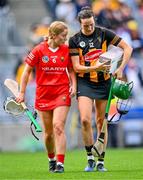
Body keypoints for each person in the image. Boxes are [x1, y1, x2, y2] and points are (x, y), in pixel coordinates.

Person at [69, 6, 132, 172]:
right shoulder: (74, 40)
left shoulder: (104, 33)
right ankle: (90, 158)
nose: (89, 28)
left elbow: (127, 48)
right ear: (80, 24)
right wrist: (95, 68)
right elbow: (76, 67)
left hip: (104, 83)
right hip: (85, 83)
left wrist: (120, 69)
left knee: (101, 122)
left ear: (94, 21)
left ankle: (101, 161)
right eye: (85, 26)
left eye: (91, 24)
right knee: (84, 120)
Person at [16, 21, 76, 173]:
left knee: (58, 126)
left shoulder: (66, 50)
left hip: (61, 92)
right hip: (43, 95)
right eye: (63, 36)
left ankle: (60, 164)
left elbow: (71, 69)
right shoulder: (38, 50)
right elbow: (26, 72)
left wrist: (73, 84)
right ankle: (52, 159)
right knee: (48, 134)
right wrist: (22, 93)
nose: (65, 38)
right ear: (54, 36)